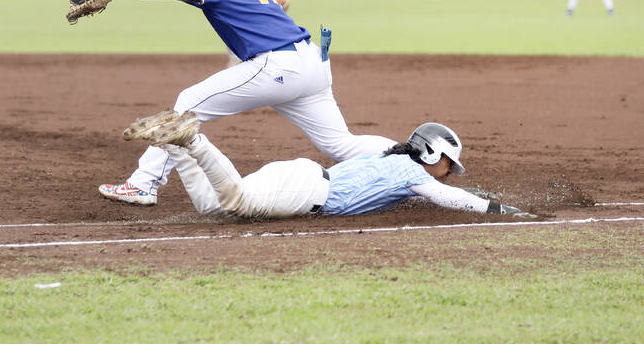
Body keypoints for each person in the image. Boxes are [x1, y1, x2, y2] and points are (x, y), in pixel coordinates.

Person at [97, 0, 395, 206]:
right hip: (312, 63)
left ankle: (143, 183)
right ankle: (413, 159)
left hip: (280, 66)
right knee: (340, 144)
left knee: (188, 103)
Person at [121, 109, 537, 219]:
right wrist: (504, 210)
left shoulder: (388, 155)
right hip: (306, 190)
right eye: (448, 164)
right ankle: (193, 139)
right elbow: (450, 198)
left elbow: (442, 193)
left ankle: (174, 146)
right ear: (431, 153)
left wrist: (477, 195)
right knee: (236, 202)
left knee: (212, 207)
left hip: (298, 176)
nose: (448, 172)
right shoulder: (412, 173)